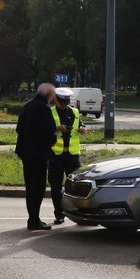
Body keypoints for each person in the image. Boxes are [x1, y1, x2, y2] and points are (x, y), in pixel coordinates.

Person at [14, 82, 58, 230]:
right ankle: (34, 220)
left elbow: (18, 128)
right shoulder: (44, 109)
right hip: (39, 155)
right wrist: (51, 141)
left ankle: (31, 218)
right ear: (49, 95)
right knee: (38, 188)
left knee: (30, 187)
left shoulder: (27, 106)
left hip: (26, 154)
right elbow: (50, 133)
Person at [48, 87, 86, 225]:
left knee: (78, 186)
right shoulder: (50, 112)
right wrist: (56, 129)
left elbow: (81, 125)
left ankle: (79, 214)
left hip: (72, 156)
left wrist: (83, 129)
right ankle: (59, 214)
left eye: (66, 102)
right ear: (56, 100)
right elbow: (43, 130)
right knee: (56, 186)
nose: (64, 105)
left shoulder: (75, 112)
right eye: (62, 102)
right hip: (56, 156)